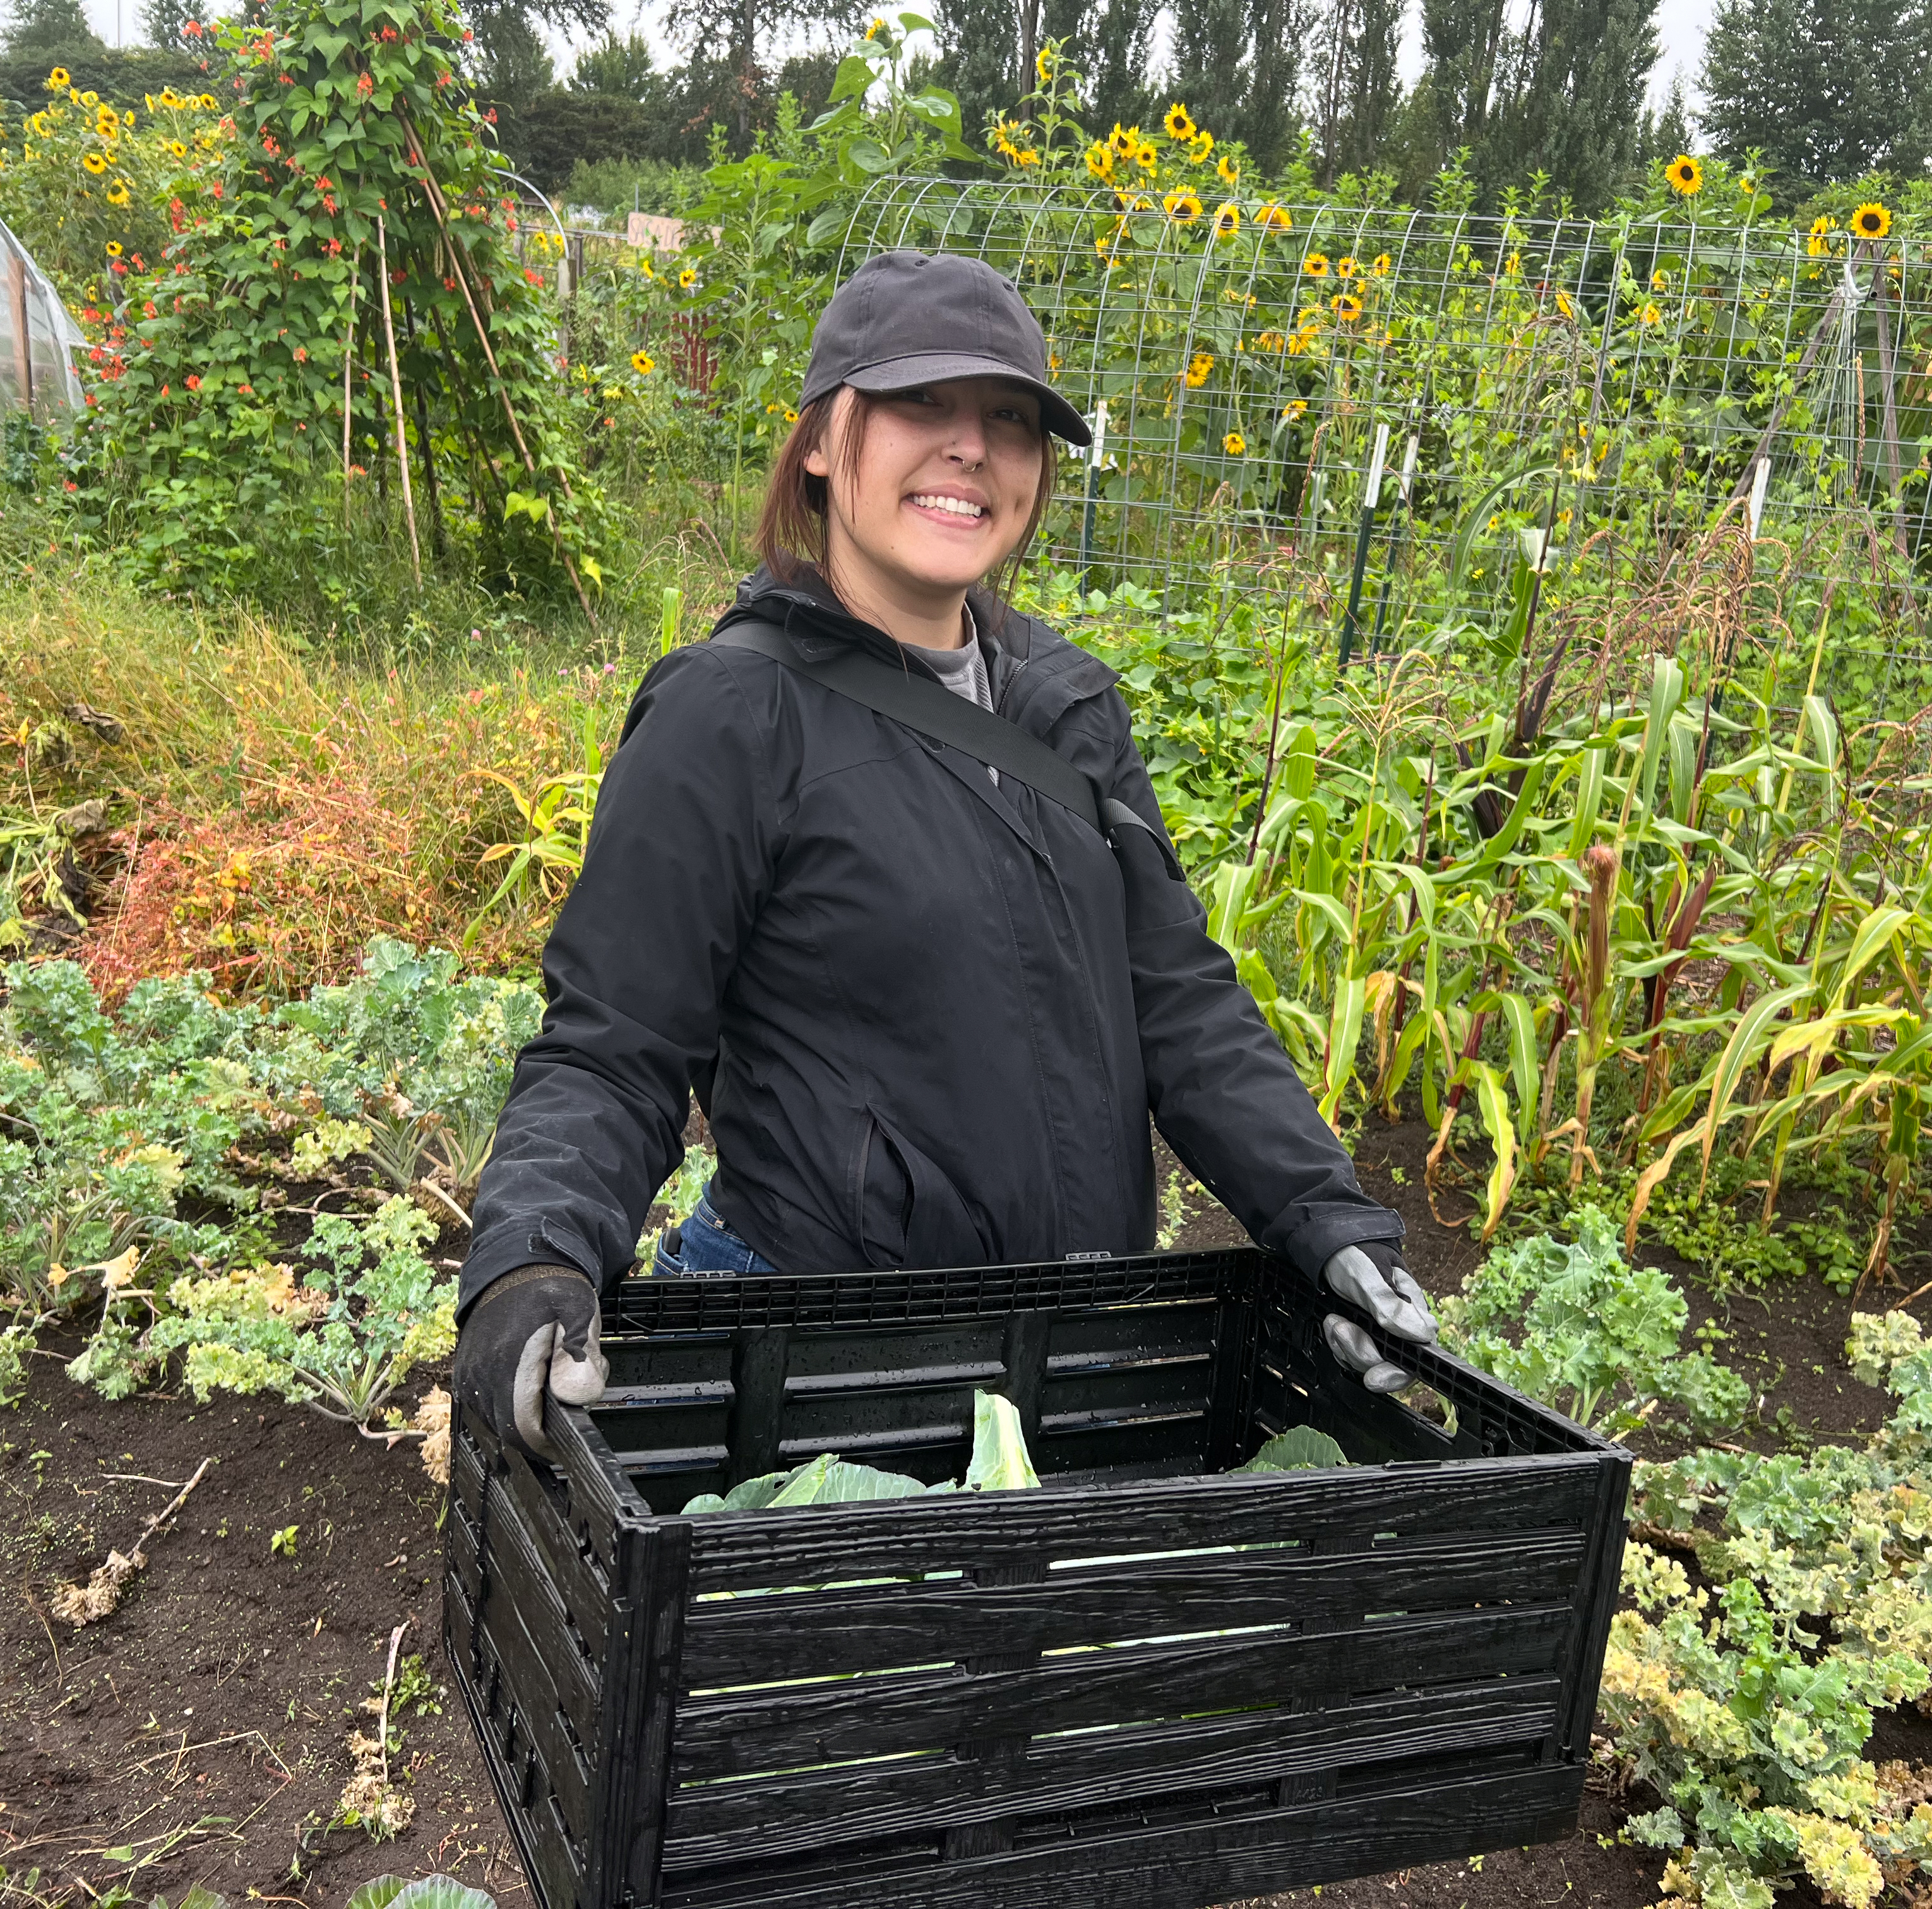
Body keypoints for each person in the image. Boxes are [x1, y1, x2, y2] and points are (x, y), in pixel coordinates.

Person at [456, 249, 1433, 1455]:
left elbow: (1178, 998)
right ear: (822, 441)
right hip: (820, 1358)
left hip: (1071, 1345)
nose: (972, 446)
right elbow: (615, 1046)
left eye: (1011, 420)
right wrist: (533, 1259)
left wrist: (1327, 1222)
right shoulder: (732, 714)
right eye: (924, 402)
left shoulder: (1067, 708)